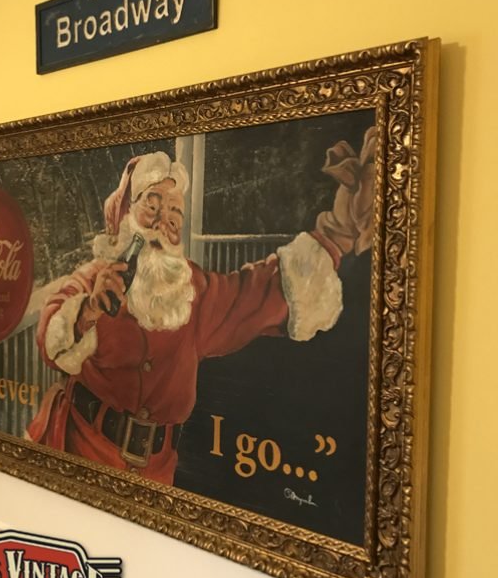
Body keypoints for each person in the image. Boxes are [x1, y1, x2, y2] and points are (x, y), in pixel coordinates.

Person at [27, 129, 376, 485]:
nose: (163, 222)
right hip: (79, 450)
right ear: (126, 213)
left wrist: (338, 233)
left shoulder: (194, 290)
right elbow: (50, 333)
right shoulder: (96, 278)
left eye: (174, 214)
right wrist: (87, 310)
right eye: (152, 206)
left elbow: (257, 293)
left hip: (156, 471)